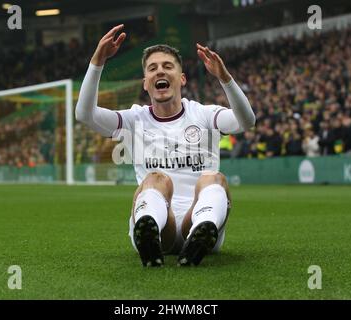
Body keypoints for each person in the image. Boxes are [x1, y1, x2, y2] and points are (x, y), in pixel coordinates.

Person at [75, 24, 255, 267]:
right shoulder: (134, 119)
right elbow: (85, 115)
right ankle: (149, 232)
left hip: (196, 215)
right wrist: (97, 62)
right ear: (145, 83)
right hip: (163, 223)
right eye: (152, 68)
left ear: (181, 79)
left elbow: (246, 121)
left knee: (214, 178)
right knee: (156, 179)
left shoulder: (201, 114)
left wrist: (225, 78)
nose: (160, 71)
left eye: (167, 66)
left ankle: (201, 233)